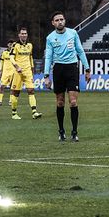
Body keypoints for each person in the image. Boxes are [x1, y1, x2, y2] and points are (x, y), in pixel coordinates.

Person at [44, 12, 91, 142]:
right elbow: (48, 57)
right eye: (57, 20)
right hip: (58, 69)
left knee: (73, 101)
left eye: (62, 19)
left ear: (65, 21)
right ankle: (61, 131)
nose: (60, 22)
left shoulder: (73, 33)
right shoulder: (50, 38)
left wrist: (87, 69)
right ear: (53, 23)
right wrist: (46, 75)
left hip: (72, 68)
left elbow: (80, 50)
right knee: (60, 102)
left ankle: (74, 132)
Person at [10, 28, 42, 121]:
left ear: (27, 35)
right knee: (16, 93)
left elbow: (30, 57)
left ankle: (34, 112)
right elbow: (11, 57)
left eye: (25, 33)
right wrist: (17, 66)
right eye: (22, 33)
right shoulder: (15, 45)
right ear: (19, 35)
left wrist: (32, 68)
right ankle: (14, 113)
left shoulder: (30, 45)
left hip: (28, 72)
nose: (24, 35)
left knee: (31, 91)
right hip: (18, 72)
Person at [0, 41, 16, 107]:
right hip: (5, 72)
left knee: (12, 87)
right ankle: (0, 101)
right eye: (10, 44)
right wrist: (0, 70)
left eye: (12, 44)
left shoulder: (15, 52)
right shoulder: (4, 53)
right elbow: (1, 62)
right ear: (7, 45)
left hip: (13, 72)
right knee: (2, 86)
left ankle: (10, 101)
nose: (11, 45)